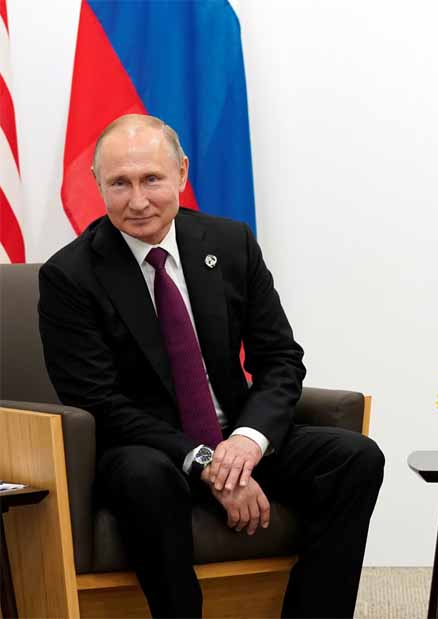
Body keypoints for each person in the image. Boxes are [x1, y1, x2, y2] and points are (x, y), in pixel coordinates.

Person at [38, 114, 384, 618]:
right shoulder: (70, 276)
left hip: (234, 434)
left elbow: (280, 359)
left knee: (355, 458)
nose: (138, 200)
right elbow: (100, 403)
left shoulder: (230, 243)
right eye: (120, 183)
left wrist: (247, 442)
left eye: (151, 179)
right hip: (148, 449)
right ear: (97, 184)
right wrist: (208, 464)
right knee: (143, 476)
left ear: (182, 172)